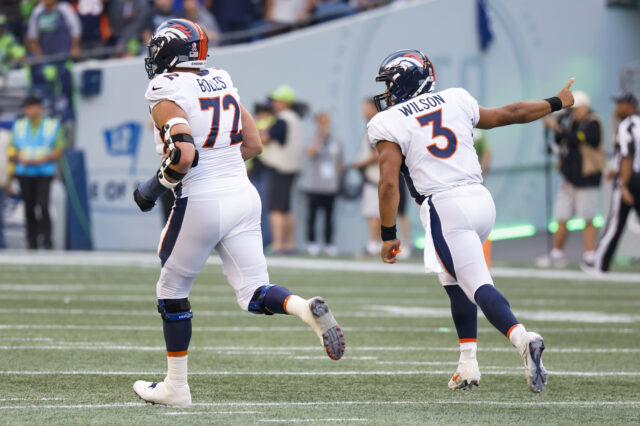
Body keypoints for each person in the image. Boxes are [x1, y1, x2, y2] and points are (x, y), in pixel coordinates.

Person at [131, 19, 344, 407]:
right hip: (243, 196)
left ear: (167, 52)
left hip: (202, 199)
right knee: (252, 293)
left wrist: (153, 187)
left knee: (171, 291)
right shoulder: (221, 78)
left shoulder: (164, 88)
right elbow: (254, 143)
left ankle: (176, 387)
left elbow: (184, 154)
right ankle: (303, 308)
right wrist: (218, 164)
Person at [369, 49, 575, 393]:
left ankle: (523, 338)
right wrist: (556, 101)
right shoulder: (455, 98)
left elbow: (389, 181)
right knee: (453, 279)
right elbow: (512, 113)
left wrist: (388, 233)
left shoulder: (387, 121)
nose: (387, 94)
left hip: (445, 205)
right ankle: (468, 364)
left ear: (405, 83)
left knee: (477, 285)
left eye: (390, 85)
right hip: (480, 200)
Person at [536, 91, 604, 268]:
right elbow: (562, 141)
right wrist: (557, 124)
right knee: (562, 216)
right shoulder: (573, 121)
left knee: (588, 217)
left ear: (585, 107)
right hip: (570, 178)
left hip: (587, 179)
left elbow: (581, 139)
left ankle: (590, 255)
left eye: (576, 109)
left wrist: (558, 127)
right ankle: (557, 253)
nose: (573, 112)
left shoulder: (593, 122)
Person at [583, 92, 640, 273]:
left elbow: (627, 157)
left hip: (630, 179)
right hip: (632, 175)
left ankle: (600, 264)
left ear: (630, 106)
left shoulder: (626, 126)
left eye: (620, 104)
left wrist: (623, 185)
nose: (617, 108)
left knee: (615, 225)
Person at [10, 95, 66, 249]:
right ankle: (31, 242)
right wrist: (19, 158)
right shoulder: (19, 125)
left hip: (43, 172)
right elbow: (12, 149)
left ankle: (47, 240)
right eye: (26, 107)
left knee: (43, 205)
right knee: (28, 207)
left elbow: (59, 149)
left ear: (40, 107)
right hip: (24, 172)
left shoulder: (52, 125)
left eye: (31, 107)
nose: (28, 110)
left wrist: (43, 159)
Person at [260, 85, 302, 254]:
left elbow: (266, 138)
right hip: (290, 169)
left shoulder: (283, 118)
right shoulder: (295, 118)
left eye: (277, 100)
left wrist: (258, 129)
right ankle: (289, 244)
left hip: (279, 168)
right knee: (285, 208)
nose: (274, 103)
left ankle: (278, 245)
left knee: (276, 208)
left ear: (285, 102)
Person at [300, 111, 343, 256]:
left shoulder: (336, 140)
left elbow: (340, 162)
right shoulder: (311, 138)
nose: (326, 125)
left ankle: (328, 243)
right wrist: (320, 137)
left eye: (328, 121)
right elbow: (310, 152)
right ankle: (311, 242)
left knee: (329, 217)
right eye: (323, 122)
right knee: (312, 216)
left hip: (330, 186)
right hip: (313, 185)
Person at [353, 98, 382, 256]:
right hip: (378, 178)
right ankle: (378, 244)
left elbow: (378, 152)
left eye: (366, 107)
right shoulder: (380, 124)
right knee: (378, 213)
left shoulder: (376, 126)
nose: (363, 111)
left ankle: (373, 245)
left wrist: (361, 163)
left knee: (373, 213)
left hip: (375, 178)